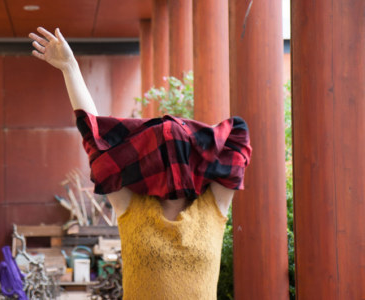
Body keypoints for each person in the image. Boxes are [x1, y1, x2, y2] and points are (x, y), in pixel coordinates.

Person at [29, 27, 252, 299]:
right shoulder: (132, 206)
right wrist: (70, 68)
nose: (171, 163)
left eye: (177, 153)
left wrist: (191, 137)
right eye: (162, 152)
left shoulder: (213, 206)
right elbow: (95, 138)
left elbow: (238, 135)